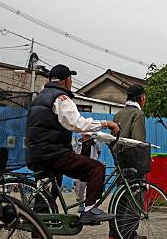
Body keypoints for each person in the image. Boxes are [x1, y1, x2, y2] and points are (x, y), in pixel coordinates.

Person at [26, 64, 120, 224]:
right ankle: (89, 210)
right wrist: (106, 123)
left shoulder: (38, 99)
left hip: (36, 154)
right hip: (54, 154)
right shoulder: (61, 98)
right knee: (96, 168)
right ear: (67, 80)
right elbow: (77, 124)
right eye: (71, 79)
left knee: (46, 197)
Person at [108, 84, 147, 239]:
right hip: (133, 160)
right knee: (135, 194)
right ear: (141, 97)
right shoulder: (137, 114)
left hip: (119, 159)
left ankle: (114, 232)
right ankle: (128, 231)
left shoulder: (118, 114)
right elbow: (138, 141)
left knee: (120, 195)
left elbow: (113, 137)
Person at [72, 133, 102, 213]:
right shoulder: (76, 143)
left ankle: (90, 205)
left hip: (91, 168)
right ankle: (81, 203)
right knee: (79, 188)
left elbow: (99, 153)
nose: (87, 137)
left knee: (92, 187)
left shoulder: (95, 143)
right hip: (80, 168)